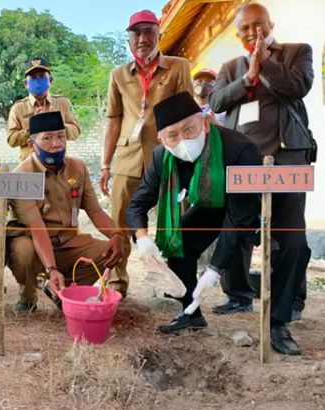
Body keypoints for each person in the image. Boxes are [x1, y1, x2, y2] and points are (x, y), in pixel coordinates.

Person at [128, 92, 302, 355]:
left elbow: (240, 216)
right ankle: (191, 313)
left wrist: (214, 269)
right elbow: (138, 203)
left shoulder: (238, 148)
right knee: (180, 243)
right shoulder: (161, 157)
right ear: (162, 139)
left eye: (190, 129)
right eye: (172, 135)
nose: (183, 140)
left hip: (270, 201)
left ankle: (278, 324)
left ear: (205, 123)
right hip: (216, 203)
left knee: (294, 248)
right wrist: (142, 238)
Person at [210, 2, 313, 321]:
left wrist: (266, 63)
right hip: (242, 162)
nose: (253, 33)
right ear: (237, 34)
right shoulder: (230, 67)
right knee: (236, 229)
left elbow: (299, 87)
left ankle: (290, 301)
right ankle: (238, 295)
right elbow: (216, 101)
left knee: (289, 234)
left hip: (286, 161)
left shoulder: (297, 52)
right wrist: (248, 77)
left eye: (259, 25)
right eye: (245, 29)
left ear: (271, 24)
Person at [100, 9, 192, 297]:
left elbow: (189, 113)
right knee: (119, 221)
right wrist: (105, 165)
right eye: (136, 33)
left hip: (167, 157)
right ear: (129, 39)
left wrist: (188, 157)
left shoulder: (178, 67)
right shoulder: (118, 75)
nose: (143, 38)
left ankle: (175, 281)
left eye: (149, 31)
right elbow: (114, 120)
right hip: (127, 159)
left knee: (173, 219)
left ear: (158, 35)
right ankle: (117, 281)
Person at [8, 111, 125, 313]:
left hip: (68, 241)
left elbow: (94, 210)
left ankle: (62, 290)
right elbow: (36, 227)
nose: (56, 144)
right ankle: (28, 294)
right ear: (31, 145)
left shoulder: (77, 167)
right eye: (47, 138)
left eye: (61, 136)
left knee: (113, 250)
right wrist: (51, 268)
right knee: (23, 252)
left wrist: (115, 234)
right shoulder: (21, 176)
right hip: (34, 241)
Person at [7, 56, 81, 161]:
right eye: (33, 77)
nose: (37, 80)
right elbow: (11, 140)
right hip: (30, 167)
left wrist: (56, 123)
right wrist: (34, 127)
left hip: (59, 165)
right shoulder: (18, 108)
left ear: (50, 80)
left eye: (42, 76)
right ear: (25, 84)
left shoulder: (63, 102)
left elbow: (76, 132)